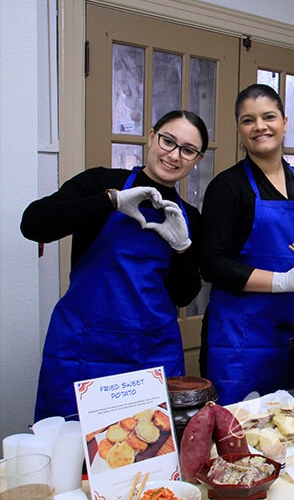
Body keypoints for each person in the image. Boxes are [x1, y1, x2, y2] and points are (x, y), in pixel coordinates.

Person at [21, 110, 209, 421]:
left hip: (151, 355)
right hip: (83, 348)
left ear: (197, 158)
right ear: (151, 136)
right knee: (74, 455)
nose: (174, 155)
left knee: (147, 453)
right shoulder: (100, 183)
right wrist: (110, 201)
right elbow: (34, 224)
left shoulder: (188, 216)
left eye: (187, 150)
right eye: (168, 141)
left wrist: (182, 247)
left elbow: (183, 295)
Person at [200, 83, 294, 405]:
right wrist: (283, 281)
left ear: (285, 122)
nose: (259, 126)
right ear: (239, 129)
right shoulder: (227, 187)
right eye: (248, 120)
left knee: (292, 427)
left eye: (268, 116)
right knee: (241, 433)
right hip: (241, 338)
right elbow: (213, 264)